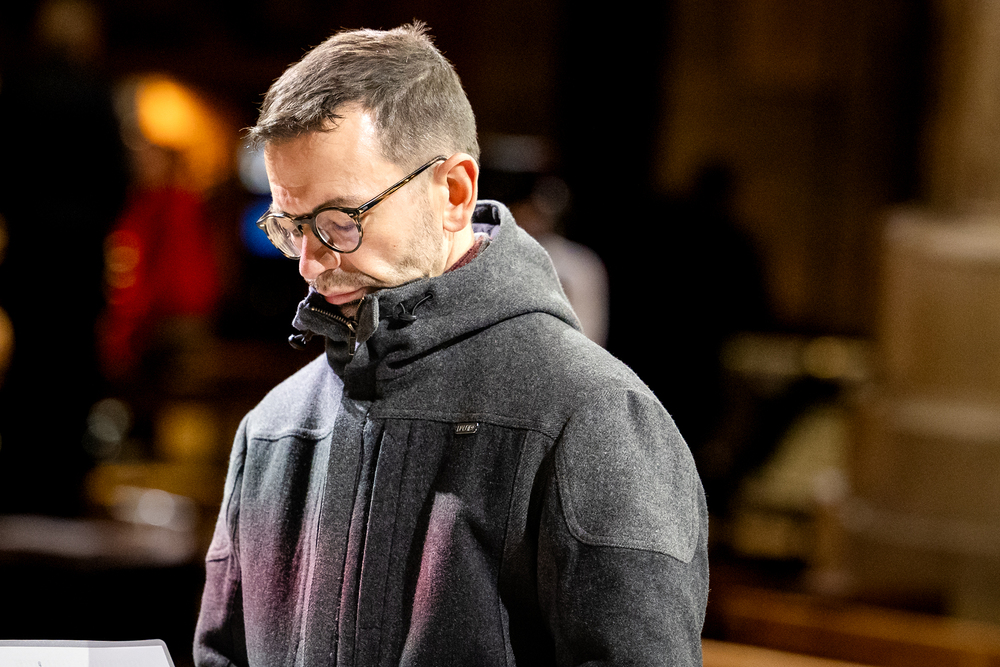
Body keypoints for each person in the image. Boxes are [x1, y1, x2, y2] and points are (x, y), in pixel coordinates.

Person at [194, 23, 709, 667]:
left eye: (340, 221)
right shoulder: (273, 429)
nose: (309, 262)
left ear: (455, 193)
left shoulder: (594, 417)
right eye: (290, 226)